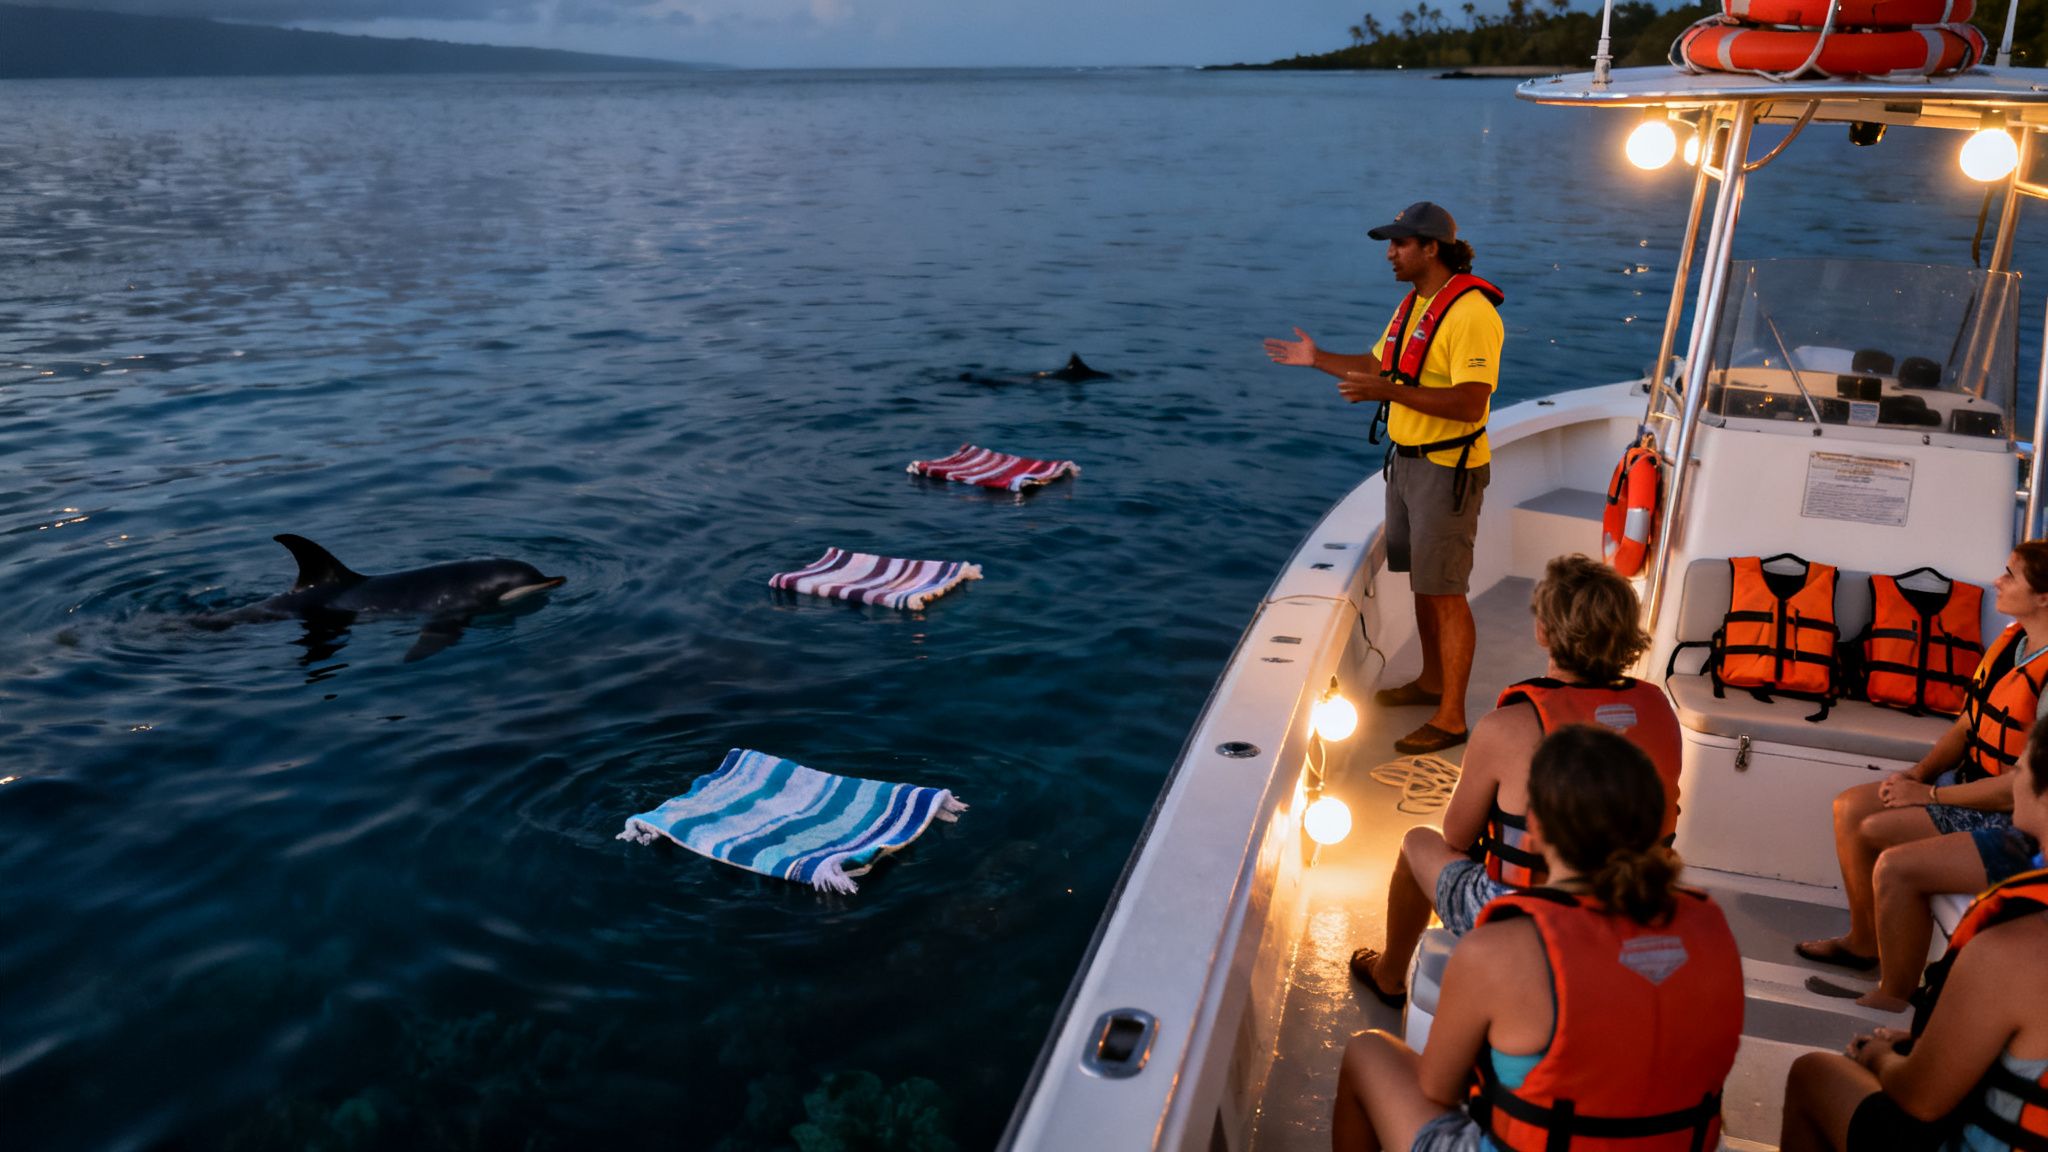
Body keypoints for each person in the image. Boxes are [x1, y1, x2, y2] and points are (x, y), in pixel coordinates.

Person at [1331, 725, 1743, 1152]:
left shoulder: (1500, 949)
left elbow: (1437, 1088)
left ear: (1538, 827)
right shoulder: (1712, 930)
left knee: (1368, 1053)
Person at [1347, 554, 1681, 1007]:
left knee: (1416, 843)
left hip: (1525, 924)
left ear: (1543, 630)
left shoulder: (1507, 726)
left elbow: (1457, 835)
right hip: (1630, 909)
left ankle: (1389, 976)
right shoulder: (1660, 711)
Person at [1263, 201, 1505, 755]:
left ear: (1431, 248)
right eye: (1390, 245)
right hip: (1407, 461)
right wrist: (1317, 357)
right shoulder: (1415, 305)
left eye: (1399, 245)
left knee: (1446, 592)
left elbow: (1471, 404)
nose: (1390, 254)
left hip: (1448, 469)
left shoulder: (1471, 314)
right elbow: (1380, 366)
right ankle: (1430, 682)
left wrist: (1390, 393)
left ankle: (1451, 719)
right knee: (1423, 582)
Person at [1798, 542, 2048, 1012]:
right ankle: (1863, 942)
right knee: (1850, 806)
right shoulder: (2013, 642)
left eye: (2011, 575)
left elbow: (2024, 786)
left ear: (2045, 598)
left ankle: (1895, 994)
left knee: (1879, 835)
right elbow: (1967, 725)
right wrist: (1915, 775)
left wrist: (1927, 794)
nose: (1998, 580)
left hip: (2015, 817)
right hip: (1970, 787)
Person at [1777, 724, 2048, 1152]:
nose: (2016, 768)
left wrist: (1879, 1056)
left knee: (1814, 1075)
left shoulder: (2014, 948)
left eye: (2023, 763)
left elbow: (1921, 1099)